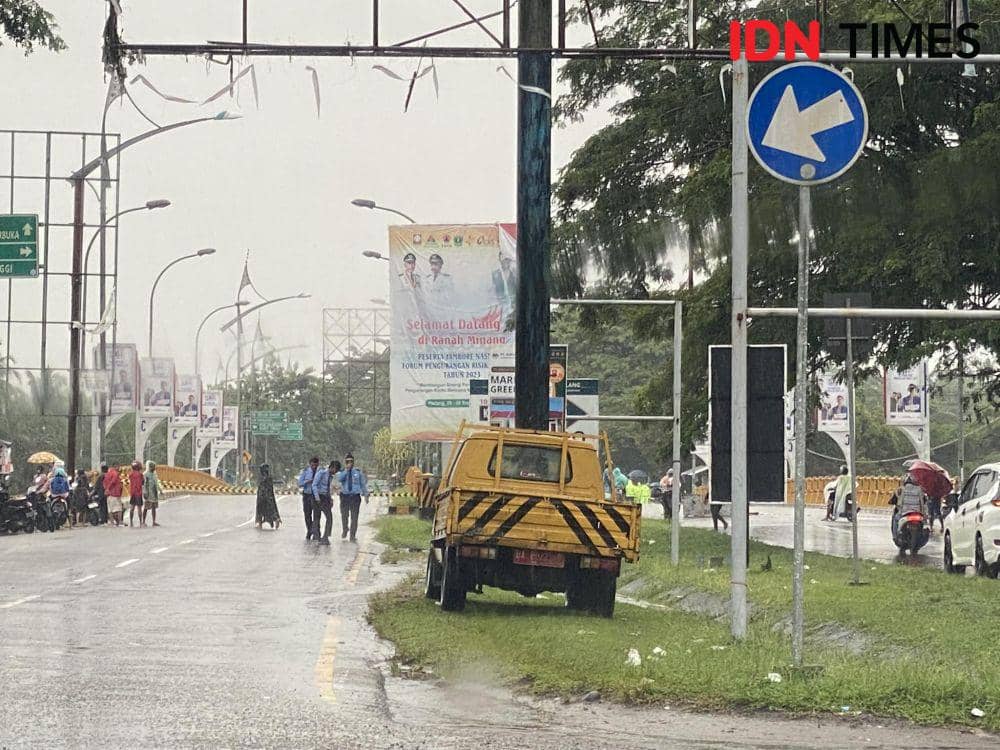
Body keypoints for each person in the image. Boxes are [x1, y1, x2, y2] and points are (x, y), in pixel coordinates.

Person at [337, 453, 369, 542]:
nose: (349, 463)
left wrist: (366, 495)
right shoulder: (343, 472)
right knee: (344, 515)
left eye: (351, 461)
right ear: (345, 462)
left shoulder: (358, 472)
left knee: (354, 517)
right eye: (347, 461)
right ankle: (345, 529)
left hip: (355, 497)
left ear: (353, 462)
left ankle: (352, 535)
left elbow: (362, 484)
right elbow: (339, 479)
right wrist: (347, 470)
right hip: (345, 496)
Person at [311, 460, 338, 545]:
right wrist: (317, 498)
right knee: (317, 517)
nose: (335, 472)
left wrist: (330, 499)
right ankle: (317, 537)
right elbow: (314, 485)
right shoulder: (321, 473)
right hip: (318, 497)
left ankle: (325, 537)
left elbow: (327, 488)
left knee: (329, 517)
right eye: (335, 470)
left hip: (325, 498)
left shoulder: (330, 476)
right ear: (332, 467)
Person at [297, 457, 321, 540]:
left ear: (318, 464)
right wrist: (307, 482)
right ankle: (309, 530)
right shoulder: (306, 472)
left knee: (316, 515)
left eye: (316, 465)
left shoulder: (320, 472)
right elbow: (300, 483)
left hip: (316, 495)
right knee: (307, 514)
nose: (314, 467)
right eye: (312, 465)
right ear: (310, 464)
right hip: (307, 494)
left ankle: (316, 532)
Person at [254, 464, 281, 529]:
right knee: (271, 509)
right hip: (269, 496)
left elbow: (261, 488)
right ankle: (276, 519)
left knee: (260, 510)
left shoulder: (261, 477)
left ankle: (260, 524)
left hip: (262, 497)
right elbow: (270, 488)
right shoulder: (269, 477)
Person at [142, 462, 161, 527]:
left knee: (154, 508)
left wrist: (160, 490)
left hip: (154, 493)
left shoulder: (154, 474)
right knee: (146, 508)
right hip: (148, 493)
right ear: (149, 467)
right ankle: (143, 521)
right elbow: (144, 484)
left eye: (154, 467)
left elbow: (157, 483)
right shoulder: (145, 474)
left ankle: (154, 522)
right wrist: (144, 492)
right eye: (153, 467)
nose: (154, 468)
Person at [128, 461, 144, 527]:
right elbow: (142, 482)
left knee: (132, 508)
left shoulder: (131, 474)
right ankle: (140, 522)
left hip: (133, 493)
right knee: (139, 508)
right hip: (138, 493)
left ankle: (131, 522)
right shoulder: (140, 475)